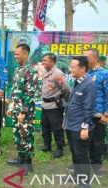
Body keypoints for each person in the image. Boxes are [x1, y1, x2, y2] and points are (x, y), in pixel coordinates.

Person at [6, 43, 38, 175]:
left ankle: (28, 164)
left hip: (25, 112)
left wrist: (23, 111)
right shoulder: (18, 69)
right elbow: (15, 90)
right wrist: (11, 106)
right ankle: (21, 158)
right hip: (15, 109)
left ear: (25, 54)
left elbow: (31, 93)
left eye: (18, 54)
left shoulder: (31, 70)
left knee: (26, 136)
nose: (16, 56)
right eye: (15, 54)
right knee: (17, 135)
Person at [64, 56, 97, 186]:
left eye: (73, 67)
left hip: (80, 127)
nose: (70, 69)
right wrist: (65, 120)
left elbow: (89, 108)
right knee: (74, 153)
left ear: (83, 68)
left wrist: (85, 127)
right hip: (71, 125)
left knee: (81, 155)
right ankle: (77, 176)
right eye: (70, 66)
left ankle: (84, 183)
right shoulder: (77, 81)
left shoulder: (89, 84)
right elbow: (72, 103)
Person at [38, 53, 70, 158]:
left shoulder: (58, 74)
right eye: (42, 60)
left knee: (57, 128)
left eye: (45, 61)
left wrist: (63, 101)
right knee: (45, 126)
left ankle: (59, 148)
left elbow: (66, 89)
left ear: (52, 61)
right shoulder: (45, 72)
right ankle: (47, 145)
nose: (43, 62)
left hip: (55, 106)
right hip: (45, 105)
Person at [82, 48, 108, 176]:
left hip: (98, 115)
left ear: (95, 59)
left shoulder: (104, 73)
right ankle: (82, 165)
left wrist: (106, 114)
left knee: (97, 142)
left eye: (86, 57)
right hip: (84, 114)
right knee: (82, 141)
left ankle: (96, 168)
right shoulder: (84, 73)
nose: (84, 60)